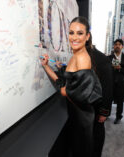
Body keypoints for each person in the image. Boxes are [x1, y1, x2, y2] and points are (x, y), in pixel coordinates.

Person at [40, 16, 102, 157]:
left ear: (87, 36)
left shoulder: (82, 59)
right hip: (77, 114)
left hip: (83, 117)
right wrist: (47, 66)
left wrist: (65, 88)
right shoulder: (76, 55)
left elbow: (68, 91)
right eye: (71, 32)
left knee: (81, 151)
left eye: (80, 33)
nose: (74, 37)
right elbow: (64, 83)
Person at [91, 45, 113, 157]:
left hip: (97, 107)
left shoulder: (102, 59)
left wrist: (104, 111)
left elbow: (108, 87)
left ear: (87, 37)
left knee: (97, 134)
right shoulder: (80, 55)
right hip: (85, 110)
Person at [108, 39, 124, 124]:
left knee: (120, 101)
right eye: (116, 44)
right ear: (114, 46)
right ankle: (106, 114)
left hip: (121, 83)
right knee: (108, 99)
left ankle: (118, 116)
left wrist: (120, 69)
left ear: (122, 47)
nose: (117, 46)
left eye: (119, 44)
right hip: (110, 82)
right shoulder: (109, 58)